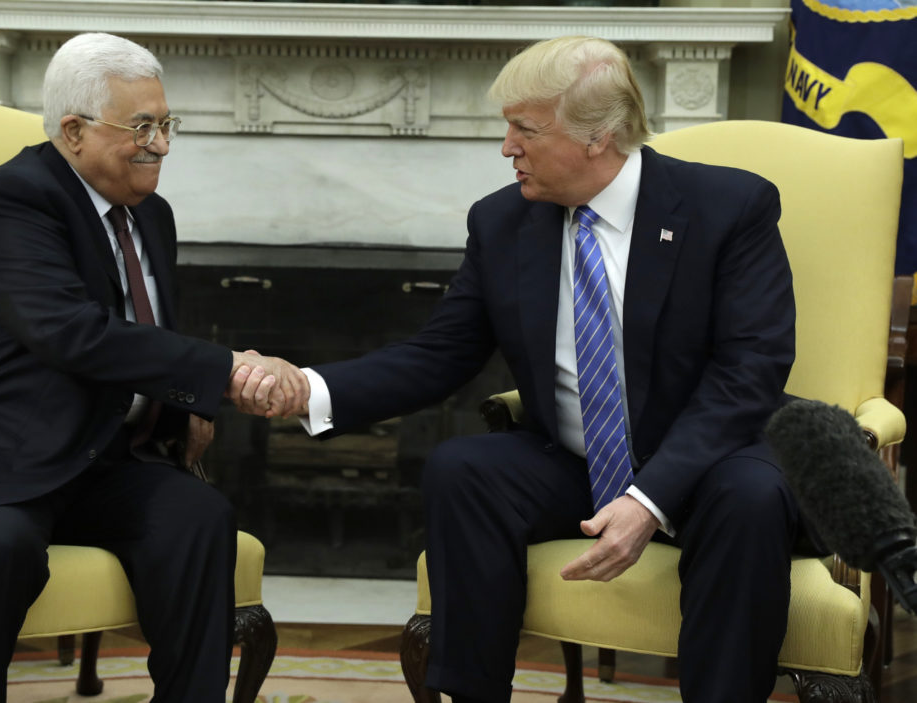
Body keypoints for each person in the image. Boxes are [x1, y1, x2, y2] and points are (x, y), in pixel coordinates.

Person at [230, 35, 823, 703]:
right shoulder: (503, 221)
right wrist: (306, 387)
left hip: (709, 457)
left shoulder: (728, 207)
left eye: (525, 129)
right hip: (576, 461)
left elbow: (751, 369)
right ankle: (472, 692)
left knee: (751, 498)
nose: (507, 147)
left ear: (598, 136)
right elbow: (439, 354)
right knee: (464, 469)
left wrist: (648, 497)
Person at [0, 32, 308, 703]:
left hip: (97, 457)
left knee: (199, 516)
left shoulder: (151, 214)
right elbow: (74, 334)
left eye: (166, 124)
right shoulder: (13, 198)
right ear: (73, 131)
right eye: (142, 126)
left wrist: (184, 402)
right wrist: (226, 369)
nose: (160, 143)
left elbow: (148, 334)